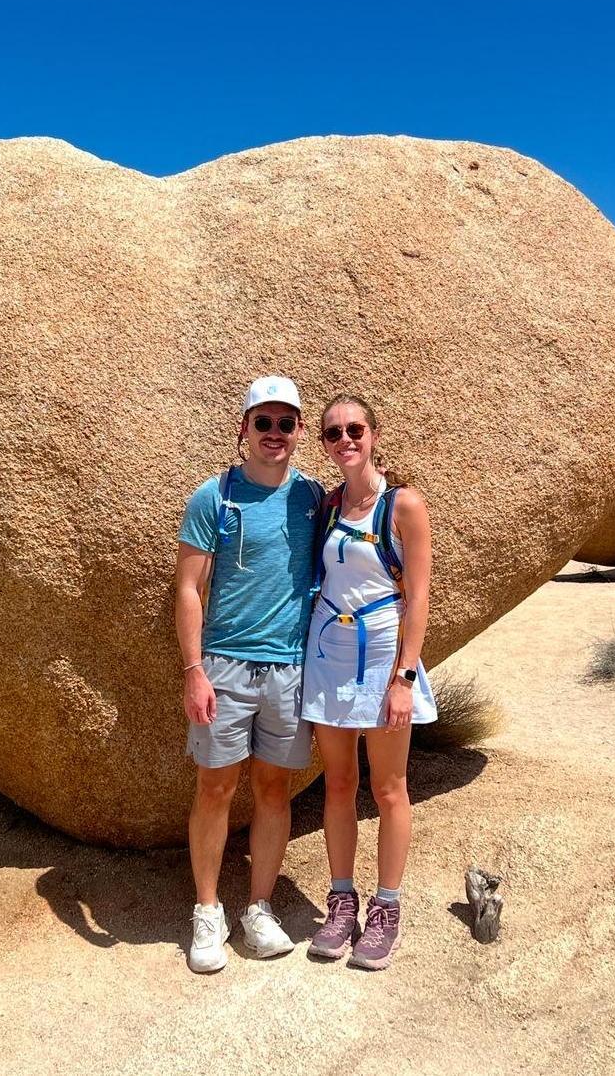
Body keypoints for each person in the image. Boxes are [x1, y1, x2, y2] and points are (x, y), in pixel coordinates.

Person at [175, 376, 323, 973]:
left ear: (298, 433)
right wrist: (193, 670)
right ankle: (207, 912)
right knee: (215, 787)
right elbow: (188, 587)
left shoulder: (313, 498)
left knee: (273, 790)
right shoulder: (215, 496)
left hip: (289, 669)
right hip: (226, 666)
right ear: (243, 430)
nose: (274, 434)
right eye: (263, 422)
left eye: (285, 423)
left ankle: (258, 907)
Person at [300, 393, 435, 970]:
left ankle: (386, 908)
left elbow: (420, 595)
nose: (345, 440)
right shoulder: (330, 507)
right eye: (333, 433)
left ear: (374, 435)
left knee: (388, 788)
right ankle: (340, 902)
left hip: (382, 656)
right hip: (330, 652)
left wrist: (404, 677)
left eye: (355, 429)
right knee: (336, 784)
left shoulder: (402, 504)